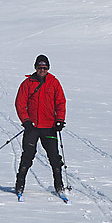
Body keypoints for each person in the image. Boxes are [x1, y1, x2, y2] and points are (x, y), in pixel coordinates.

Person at [14, 54, 66, 195]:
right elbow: (20, 103)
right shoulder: (27, 83)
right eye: (39, 67)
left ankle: (59, 186)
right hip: (32, 127)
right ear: (35, 68)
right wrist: (25, 121)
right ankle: (19, 185)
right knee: (27, 156)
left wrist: (60, 120)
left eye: (44, 68)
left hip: (49, 127)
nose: (42, 70)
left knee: (54, 158)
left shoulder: (54, 82)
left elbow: (60, 102)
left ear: (48, 68)